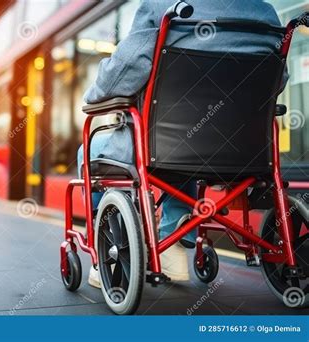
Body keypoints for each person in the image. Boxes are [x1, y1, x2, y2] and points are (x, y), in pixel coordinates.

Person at [78, 0, 288, 288]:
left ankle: (105, 245)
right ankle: (175, 245)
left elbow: (127, 68)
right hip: (246, 149)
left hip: (165, 144)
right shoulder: (265, 13)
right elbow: (277, 80)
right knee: (180, 153)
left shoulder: (163, 5)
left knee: (90, 149)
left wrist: (94, 95)